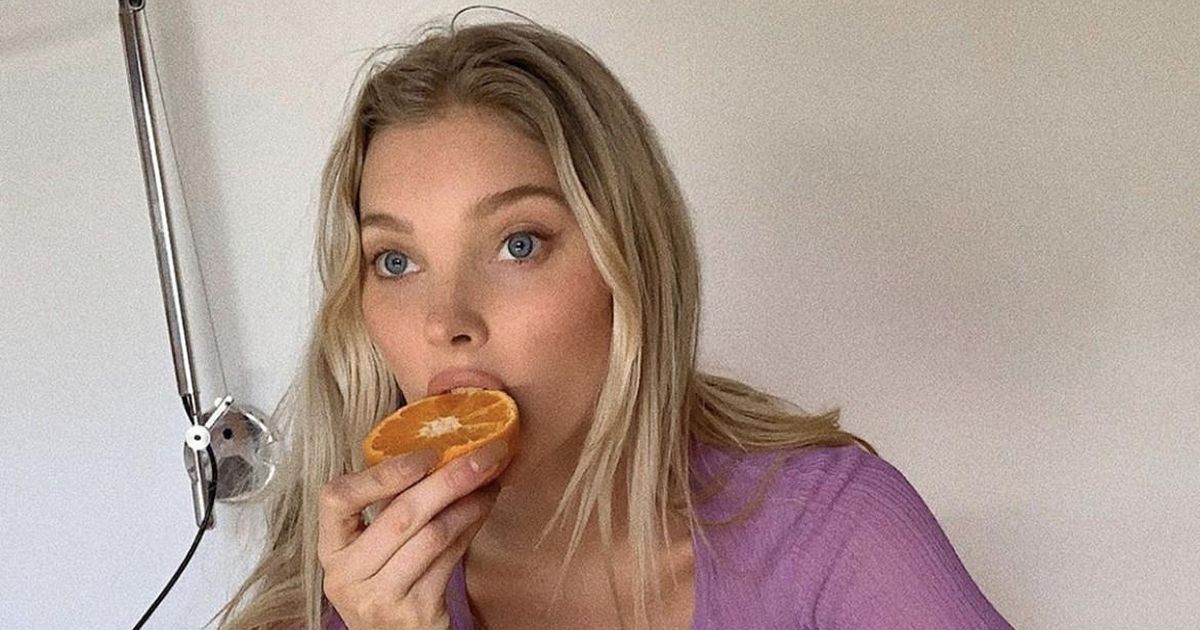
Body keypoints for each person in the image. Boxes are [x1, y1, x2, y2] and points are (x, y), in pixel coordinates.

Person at [213, 12, 1013, 630]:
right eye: (395, 261)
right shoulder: (339, 605)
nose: (445, 322)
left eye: (519, 244)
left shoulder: (830, 529)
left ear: (629, 265)